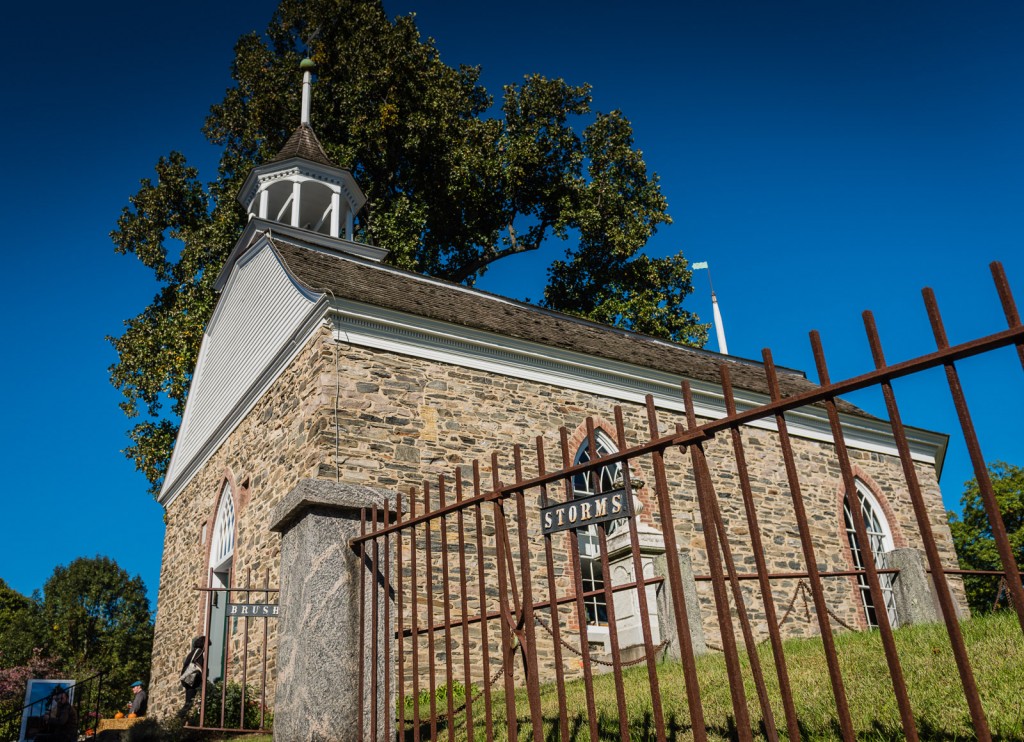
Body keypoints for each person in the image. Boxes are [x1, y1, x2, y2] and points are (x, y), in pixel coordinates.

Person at [179, 635, 206, 717]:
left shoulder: (193, 651)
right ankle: (179, 717)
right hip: (192, 679)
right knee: (189, 703)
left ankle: (182, 718)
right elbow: (196, 664)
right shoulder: (198, 651)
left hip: (190, 679)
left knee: (189, 702)